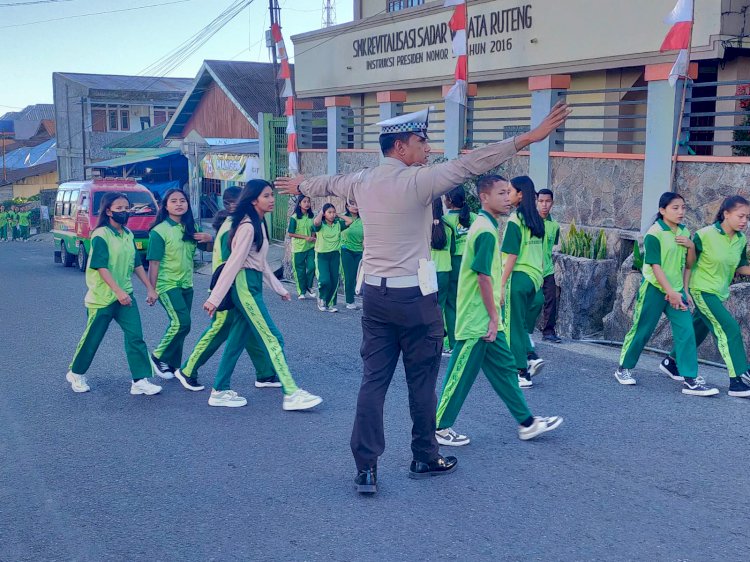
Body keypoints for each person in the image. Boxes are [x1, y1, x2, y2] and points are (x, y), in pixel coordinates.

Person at [275, 102, 570, 494]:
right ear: (400, 147)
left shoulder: (362, 181)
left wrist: (302, 186)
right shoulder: (418, 182)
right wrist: (527, 139)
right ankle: (424, 456)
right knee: (421, 382)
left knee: (373, 383)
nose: (427, 148)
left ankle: (366, 468)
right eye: (421, 141)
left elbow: (329, 181)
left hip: (375, 299)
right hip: (415, 298)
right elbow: (472, 164)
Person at [435, 175, 563, 447]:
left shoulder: (490, 227)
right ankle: (439, 427)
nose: (508, 198)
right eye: (502, 193)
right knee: (459, 373)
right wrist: (494, 317)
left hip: (487, 320)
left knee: (506, 370)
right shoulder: (484, 230)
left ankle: (527, 423)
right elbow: (483, 276)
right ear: (484, 198)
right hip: (476, 319)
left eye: (509, 193)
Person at [204, 179, 322, 410]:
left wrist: (278, 288)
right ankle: (291, 392)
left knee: (237, 340)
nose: (272, 199)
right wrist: (214, 298)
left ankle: (219, 389)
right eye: (267, 195)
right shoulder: (248, 225)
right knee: (273, 337)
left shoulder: (256, 223)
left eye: (271, 195)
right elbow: (234, 262)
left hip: (251, 283)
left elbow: (260, 262)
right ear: (253, 199)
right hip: (245, 285)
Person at [176, 187, 282, 392]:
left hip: (236, 288)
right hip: (228, 289)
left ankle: (265, 373)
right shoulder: (236, 225)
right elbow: (230, 265)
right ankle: (188, 369)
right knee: (219, 330)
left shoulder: (243, 223)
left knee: (248, 329)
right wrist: (218, 296)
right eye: (263, 196)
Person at [615, 192, 718, 396]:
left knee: (686, 331)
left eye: (683, 207)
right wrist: (670, 291)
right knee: (642, 330)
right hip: (654, 289)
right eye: (675, 208)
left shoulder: (684, 232)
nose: (681, 212)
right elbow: (655, 266)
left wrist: (690, 250)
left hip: (677, 291)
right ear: (662, 211)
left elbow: (689, 265)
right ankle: (623, 368)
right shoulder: (654, 234)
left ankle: (690, 378)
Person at [65, 192, 162, 395]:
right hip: (103, 297)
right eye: (119, 209)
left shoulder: (127, 234)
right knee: (93, 337)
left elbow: (136, 263)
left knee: (136, 336)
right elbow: (101, 266)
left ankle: (140, 380)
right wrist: (117, 292)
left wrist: (150, 288)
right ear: (108, 211)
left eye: (127, 208)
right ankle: (76, 373)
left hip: (125, 295)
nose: (124, 212)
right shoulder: (101, 234)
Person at [660, 195, 750, 397]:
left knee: (698, 328)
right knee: (729, 329)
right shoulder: (704, 235)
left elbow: (740, 266)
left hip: (719, 292)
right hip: (701, 290)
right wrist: (683, 290)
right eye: (741, 216)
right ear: (726, 214)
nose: (745, 221)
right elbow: (688, 263)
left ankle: (671, 362)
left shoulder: (740, 239)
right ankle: (737, 380)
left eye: (747, 217)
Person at [146, 189, 212, 379]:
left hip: (186, 284)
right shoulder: (159, 231)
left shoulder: (190, 227)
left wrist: (209, 239)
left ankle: (172, 364)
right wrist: (152, 289)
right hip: (167, 284)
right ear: (165, 206)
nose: (179, 204)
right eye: (173, 201)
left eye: (182, 200)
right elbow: (154, 263)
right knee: (181, 323)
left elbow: (206, 248)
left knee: (180, 325)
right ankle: (158, 356)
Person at [500, 176, 546, 389]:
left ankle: (521, 372)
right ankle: (531, 356)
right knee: (519, 325)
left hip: (517, 278)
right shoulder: (538, 219)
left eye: (509, 191)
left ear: (520, 194)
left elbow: (511, 255)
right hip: (534, 279)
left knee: (512, 326)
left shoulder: (515, 220)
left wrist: (500, 284)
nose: (507, 195)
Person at [443, 186, 477, 355]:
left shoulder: (445, 220)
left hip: (454, 263)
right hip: (473, 263)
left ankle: (453, 343)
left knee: (451, 304)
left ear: (449, 200)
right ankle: (471, 339)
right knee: (470, 303)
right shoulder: (475, 218)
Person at [527, 189, 561, 343]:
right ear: (536, 202)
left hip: (547, 269)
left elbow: (552, 245)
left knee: (551, 300)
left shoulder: (554, 225)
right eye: (541, 201)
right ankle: (524, 331)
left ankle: (548, 332)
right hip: (531, 269)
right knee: (531, 301)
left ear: (552, 203)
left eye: (547, 201)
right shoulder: (531, 223)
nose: (544, 205)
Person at [313, 203, 351, 313]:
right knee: (325, 280)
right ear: (324, 214)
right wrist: (321, 212)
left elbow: (349, 221)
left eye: (333, 212)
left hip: (335, 255)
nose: (332, 214)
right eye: (329, 212)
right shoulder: (320, 225)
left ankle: (330, 304)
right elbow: (316, 222)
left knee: (334, 281)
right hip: (322, 256)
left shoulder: (338, 224)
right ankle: (321, 298)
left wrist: (338, 215)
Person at [431, 197, 454, 354]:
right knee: (442, 308)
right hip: (445, 271)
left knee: (427, 308)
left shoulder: (422, 227)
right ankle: (445, 342)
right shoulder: (449, 228)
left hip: (427, 272)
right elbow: (452, 251)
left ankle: (429, 340)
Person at [287, 195, 317, 300]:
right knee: (300, 270)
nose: (307, 203)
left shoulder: (311, 217)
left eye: (308, 201)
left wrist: (313, 236)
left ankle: (308, 286)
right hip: (298, 248)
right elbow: (290, 233)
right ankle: (301, 291)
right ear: (299, 203)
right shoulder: (294, 217)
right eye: (304, 201)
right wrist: (305, 237)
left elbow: (314, 229)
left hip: (310, 247)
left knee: (312, 266)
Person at [341, 201, 364, 310]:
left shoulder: (364, 219)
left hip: (360, 250)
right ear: (347, 206)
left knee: (359, 277)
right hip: (346, 250)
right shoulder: (342, 218)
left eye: (357, 204)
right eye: (352, 204)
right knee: (349, 276)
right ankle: (350, 301)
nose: (355, 206)